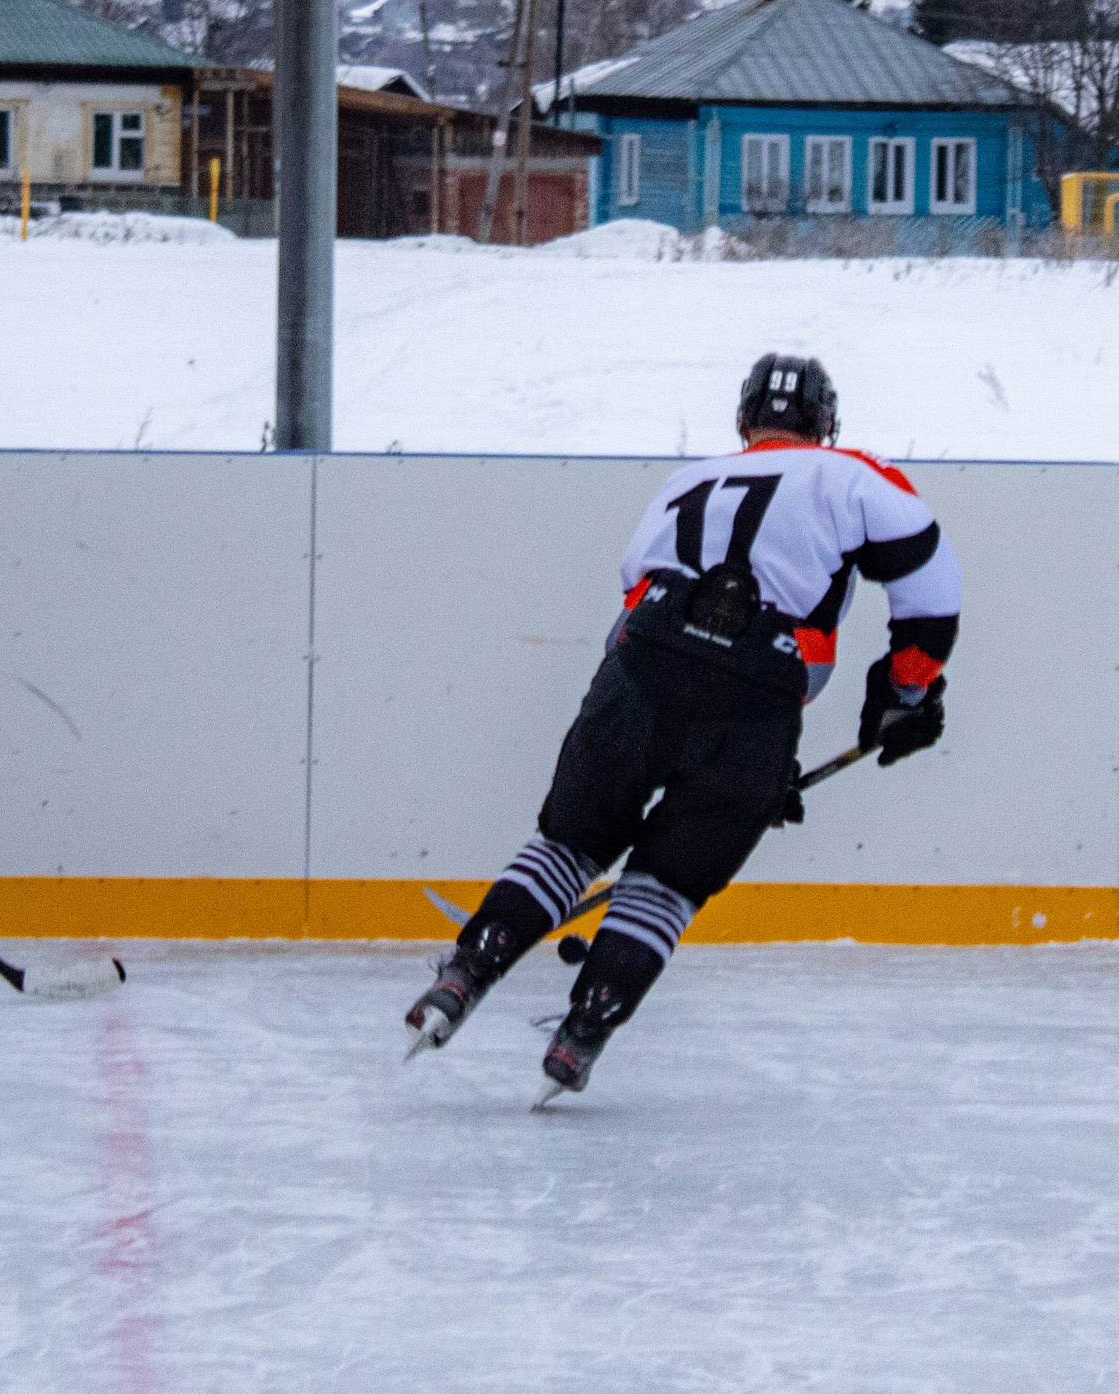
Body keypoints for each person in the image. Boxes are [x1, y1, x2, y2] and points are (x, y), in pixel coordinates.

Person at [405, 354, 960, 1100]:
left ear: (743, 422)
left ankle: (467, 970)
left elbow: (627, 619)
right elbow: (931, 588)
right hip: (759, 695)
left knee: (571, 843)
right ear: (826, 426)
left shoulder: (687, 481)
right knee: (666, 883)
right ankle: (584, 1030)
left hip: (639, 670)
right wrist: (902, 693)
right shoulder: (855, 474)